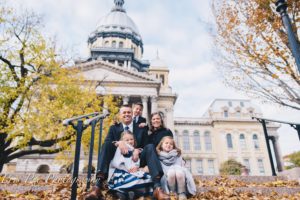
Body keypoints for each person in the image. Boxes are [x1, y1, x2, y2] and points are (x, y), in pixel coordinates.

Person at [85, 105, 170, 200]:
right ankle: (97, 186)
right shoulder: (114, 127)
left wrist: (137, 150)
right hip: (120, 159)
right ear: (120, 115)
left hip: (137, 159)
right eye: (124, 112)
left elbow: (146, 145)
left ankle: (157, 188)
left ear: (132, 113)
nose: (126, 114)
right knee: (107, 145)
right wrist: (119, 143)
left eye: (129, 112)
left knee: (150, 147)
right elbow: (108, 141)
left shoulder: (141, 128)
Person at [108, 131, 152, 200]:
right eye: (127, 140)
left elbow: (136, 163)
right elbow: (117, 162)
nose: (130, 141)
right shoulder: (121, 148)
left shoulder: (134, 150)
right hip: (123, 172)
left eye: (131, 139)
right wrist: (131, 168)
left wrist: (136, 165)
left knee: (147, 179)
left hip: (132, 171)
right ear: (122, 141)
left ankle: (133, 193)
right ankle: (123, 192)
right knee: (134, 180)